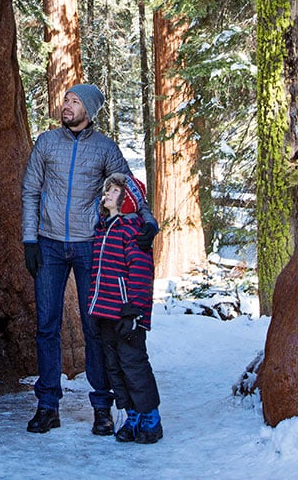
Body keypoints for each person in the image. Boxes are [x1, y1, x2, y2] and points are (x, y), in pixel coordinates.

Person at [20, 83, 157, 436]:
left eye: (75, 101)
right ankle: (48, 405)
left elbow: (128, 187)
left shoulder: (104, 149)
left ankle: (102, 408)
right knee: (46, 326)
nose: (67, 105)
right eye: (66, 99)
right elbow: (30, 190)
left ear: (89, 110)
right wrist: (30, 239)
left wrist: (148, 221)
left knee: (94, 326)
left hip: (89, 246)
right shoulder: (46, 143)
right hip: (48, 244)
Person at [88, 172, 163, 443]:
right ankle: (131, 416)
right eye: (107, 190)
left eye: (115, 191)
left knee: (134, 365)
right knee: (115, 368)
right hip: (106, 313)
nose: (108, 194)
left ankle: (150, 419)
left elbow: (141, 273)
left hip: (127, 314)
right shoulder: (103, 228)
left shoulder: (133, 231)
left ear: (129, 199)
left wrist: (134, 311)